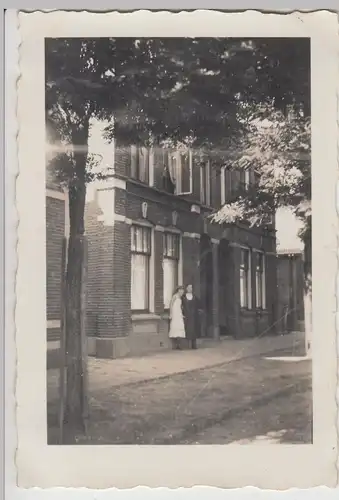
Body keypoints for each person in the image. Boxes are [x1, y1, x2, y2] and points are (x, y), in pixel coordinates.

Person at [182, 284, 201, 349]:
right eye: (189, 287)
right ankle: (186, 345)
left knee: (193, 329)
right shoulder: (183, 297)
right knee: (187, 329)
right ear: (186, 288)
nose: (190, 288)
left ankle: (194, 345)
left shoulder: (195, 297)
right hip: (186, 316)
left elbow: (199, 305)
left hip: (193, 316)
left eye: (191, 287)